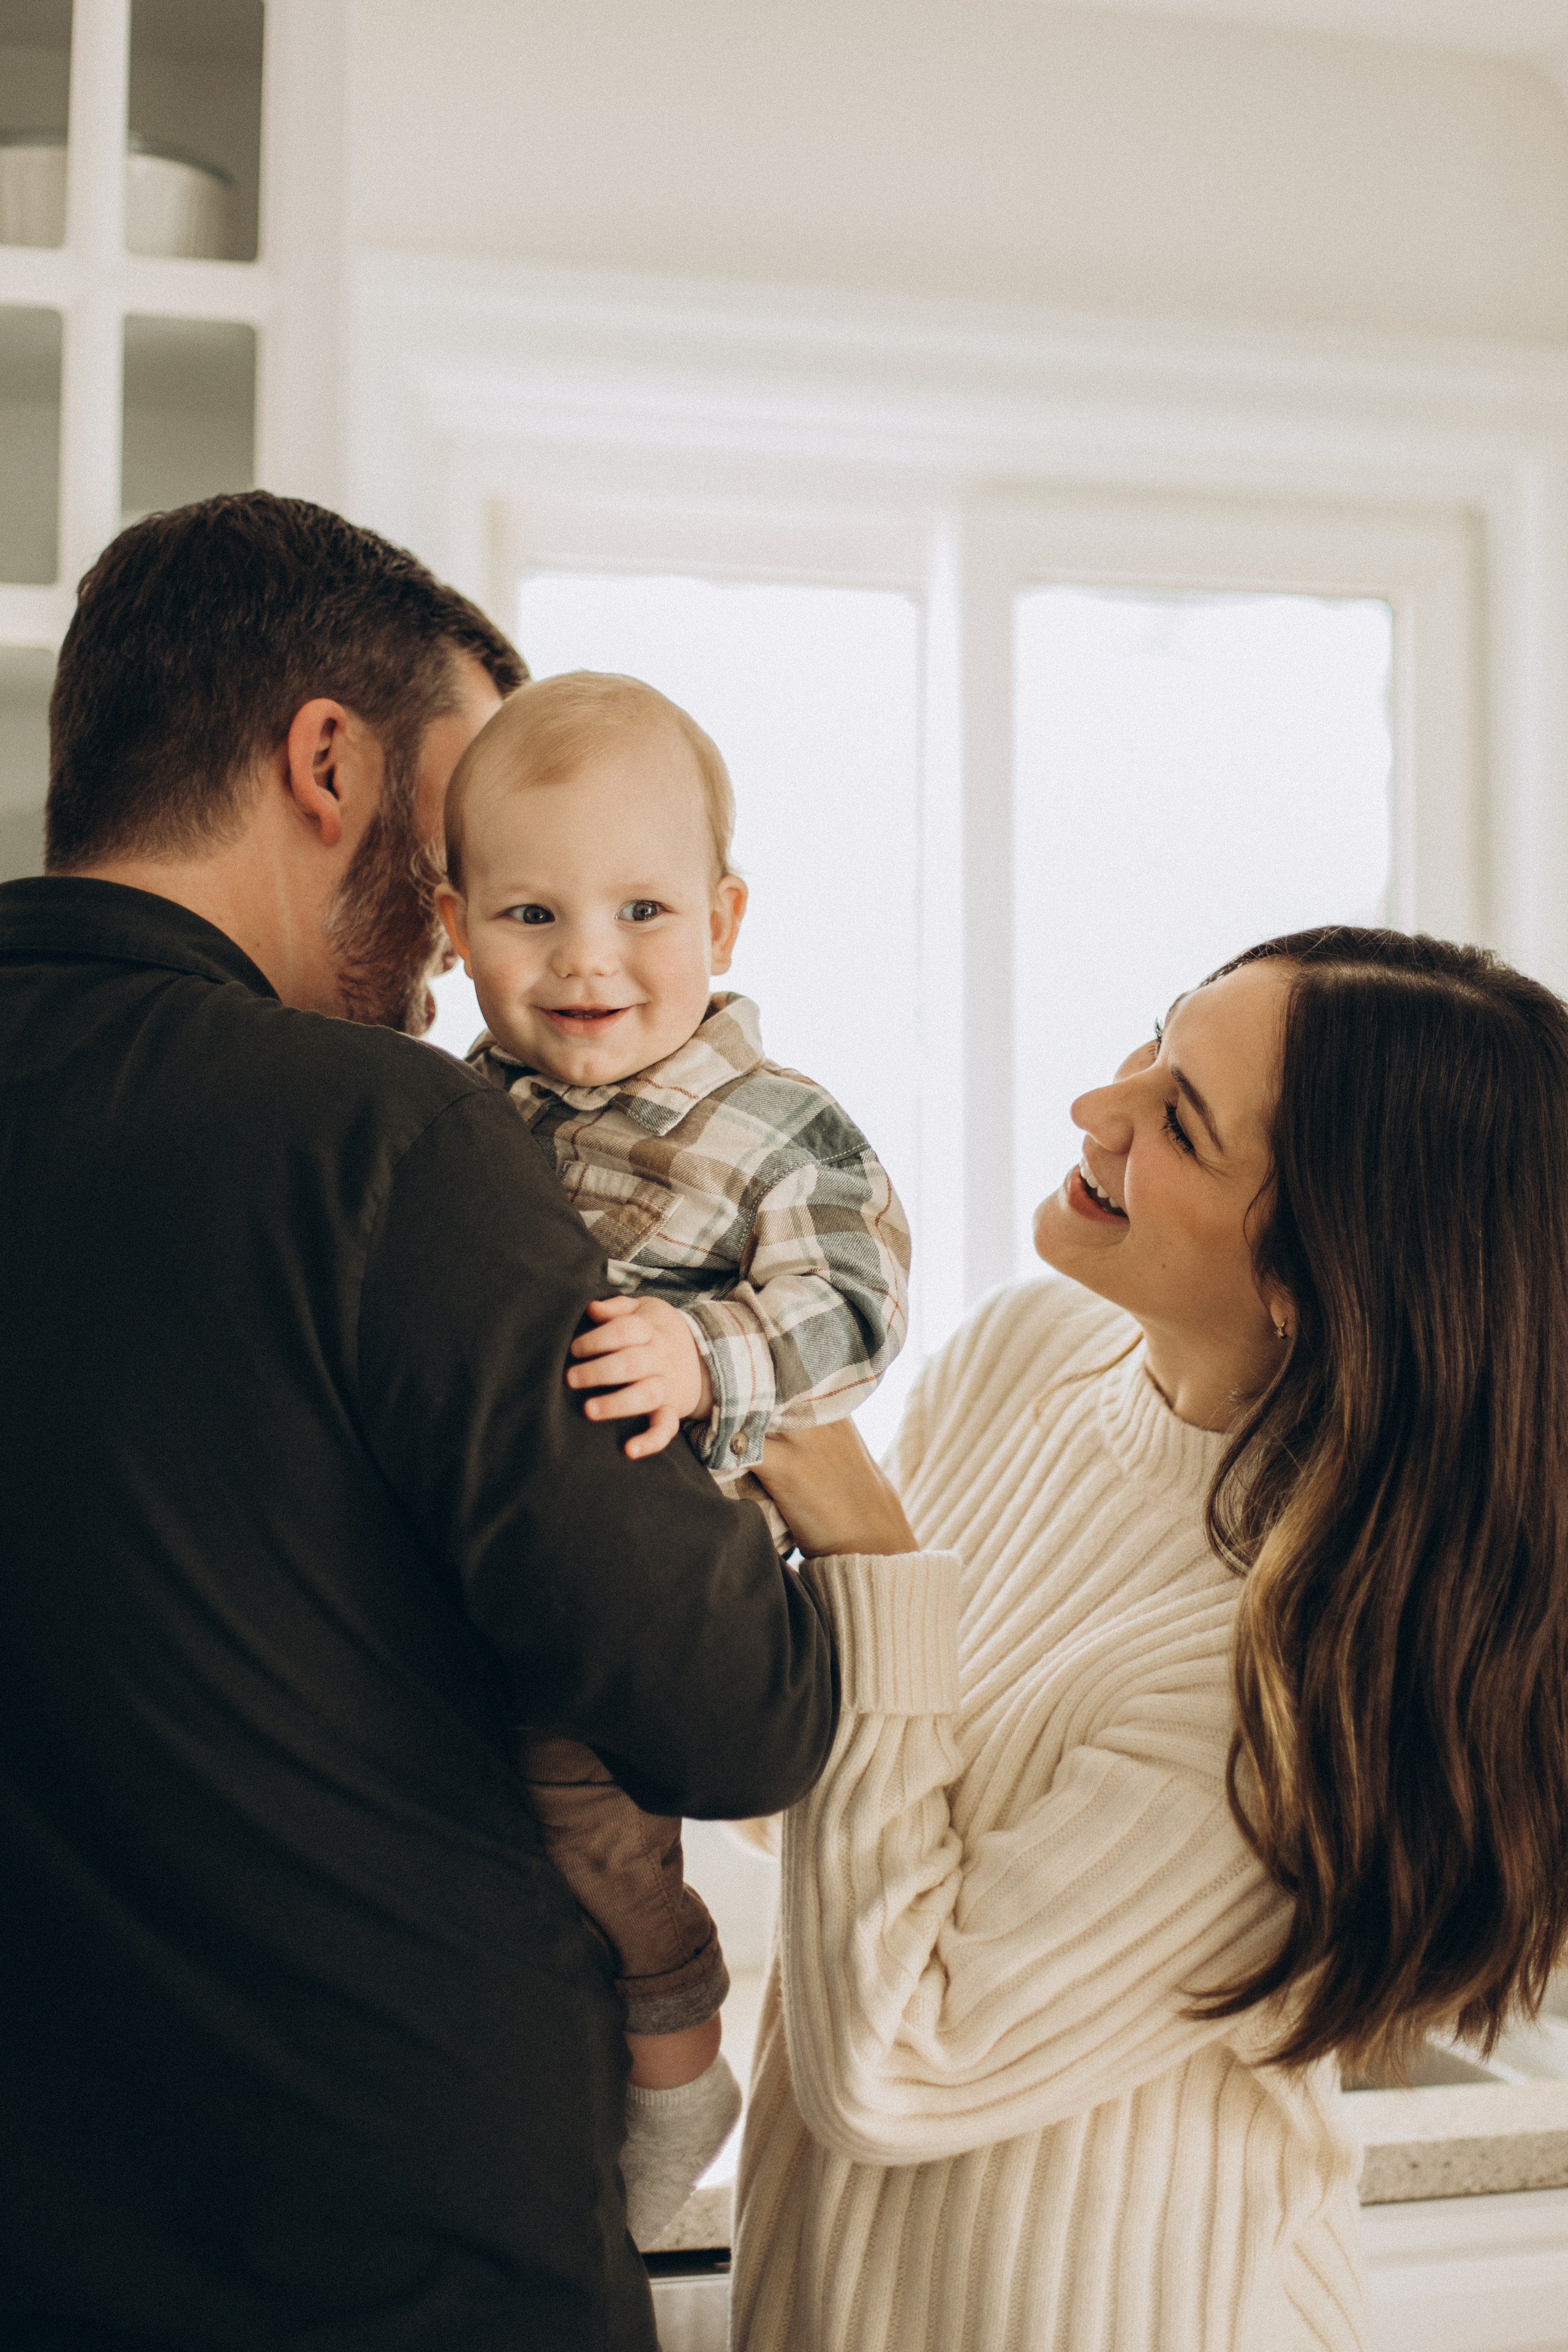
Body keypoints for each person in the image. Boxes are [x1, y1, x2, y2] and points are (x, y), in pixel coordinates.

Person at [0, 493, 838, 2352]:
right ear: (330, 763)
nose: (469, 942)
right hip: (394, 2258)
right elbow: (732, 1708)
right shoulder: (383, 1135)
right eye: (468, 836)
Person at [732, 927, 1568, 2352]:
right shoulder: (1026, 1353)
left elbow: (896, 2059)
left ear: (1312, 1279)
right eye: (1153, 1044)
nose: (1096, 1112)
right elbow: (811, 1805)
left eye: (1178, 1120)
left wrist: (862, 1545)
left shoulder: (1297, 1675)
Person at [433, 670, 911, 2243]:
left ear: (726, 915)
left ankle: (674, 2072)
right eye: (527, 913)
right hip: (459, 1564)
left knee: (598, 1840)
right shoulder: (453, 1112)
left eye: (642, 908)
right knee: (484, 1845)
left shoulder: (772, 1126)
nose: (587, 960)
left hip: (646, 1587)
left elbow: (851, 1306)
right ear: (450, 924)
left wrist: (705, 1356)